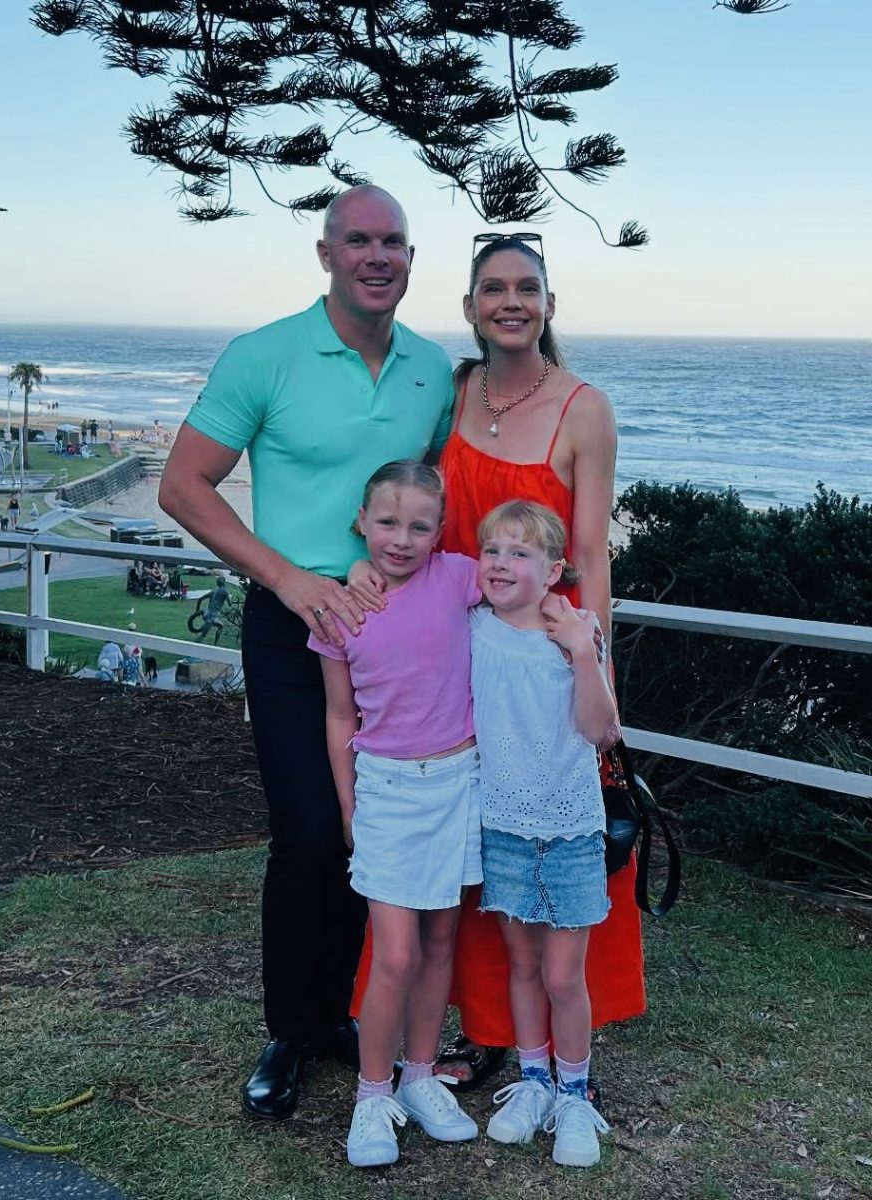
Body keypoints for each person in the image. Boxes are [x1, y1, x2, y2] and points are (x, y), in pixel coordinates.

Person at [158, 185, 455, 1121]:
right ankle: (291, 1028)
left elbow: (423, 497)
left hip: (398, 634)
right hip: (292, 623)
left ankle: (342, 1016)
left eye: (393, 241)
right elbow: (182, 485)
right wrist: (289, 579)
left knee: (380, 831)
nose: (377, 256)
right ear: (326, 254)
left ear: (411, 259)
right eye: (357, 240)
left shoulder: (432, 369)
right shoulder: (264, 355)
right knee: (310, 832)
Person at [350, 233, 645, 1099]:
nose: (509, 302)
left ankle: (554, 1054)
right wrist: (365, 565)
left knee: (544, 846)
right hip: (450, 657)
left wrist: (594, 664)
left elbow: (588, 555)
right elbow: (402, 502)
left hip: (537, 665)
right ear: (470, 306)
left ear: (548, 305)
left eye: (525, 288)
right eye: (492, 288)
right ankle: (471, 1035)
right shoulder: (452, 390)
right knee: (467, 858)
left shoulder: (584, 408)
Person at [310, 461, 482, 1167]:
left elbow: (526, 580)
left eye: (419, 526)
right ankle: (372, 1095)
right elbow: (338, 714)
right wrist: (349, 805)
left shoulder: (460, 578)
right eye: (386, 523)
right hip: (385, 790)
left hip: (460, 783)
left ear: (441, 532)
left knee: (440, 941)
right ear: (361, 522)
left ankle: (419, 1076)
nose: (401, 540)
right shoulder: (338, 608)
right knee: (397, 953)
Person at [471, 500, 614, 1168]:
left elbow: (599, 730)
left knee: (562, 975)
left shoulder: (577, 630)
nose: (500, 563)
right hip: (501, 825)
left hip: (569, 831)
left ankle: (574, 1095)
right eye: (491, 550)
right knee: (522, 965)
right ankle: (531, 1082)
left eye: (519, 553)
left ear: (554, 570)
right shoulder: (473, 626)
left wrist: (582, 652)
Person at [194, 575, 229, 643]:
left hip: (206, 614)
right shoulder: (225, 592)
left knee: (218, 626)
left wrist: (197, 610)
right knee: (203, 635)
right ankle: (215, 645)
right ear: (224, 583)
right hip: (212, 617)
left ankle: (214, 644)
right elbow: (229, 603)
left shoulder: (213, 591)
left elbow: (200, 599)